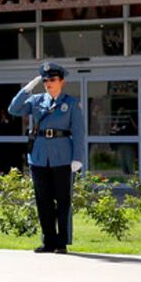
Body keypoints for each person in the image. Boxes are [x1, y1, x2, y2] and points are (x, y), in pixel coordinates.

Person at [9, 62, 86, 253]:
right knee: (43, 200)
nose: (48, 83)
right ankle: (48, 241)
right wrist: (26, 89)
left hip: (63, 157)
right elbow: (14, 109)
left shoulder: (70, 103)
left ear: (62, 82)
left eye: (52, 79)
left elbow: (78, 132)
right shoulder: (36, 101)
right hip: (39, 156)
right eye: (45, 80)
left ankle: (62, 242)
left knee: (63, 200)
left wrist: (78, 158)